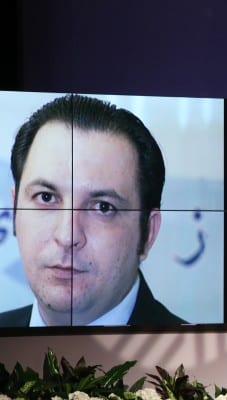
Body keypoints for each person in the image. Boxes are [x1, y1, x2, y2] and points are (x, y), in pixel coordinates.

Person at [0, 94, 187, 327]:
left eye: (103, 207)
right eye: (46, 197)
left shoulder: (201, 359)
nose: (67, 237)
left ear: (148, 232)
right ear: (15, 208)